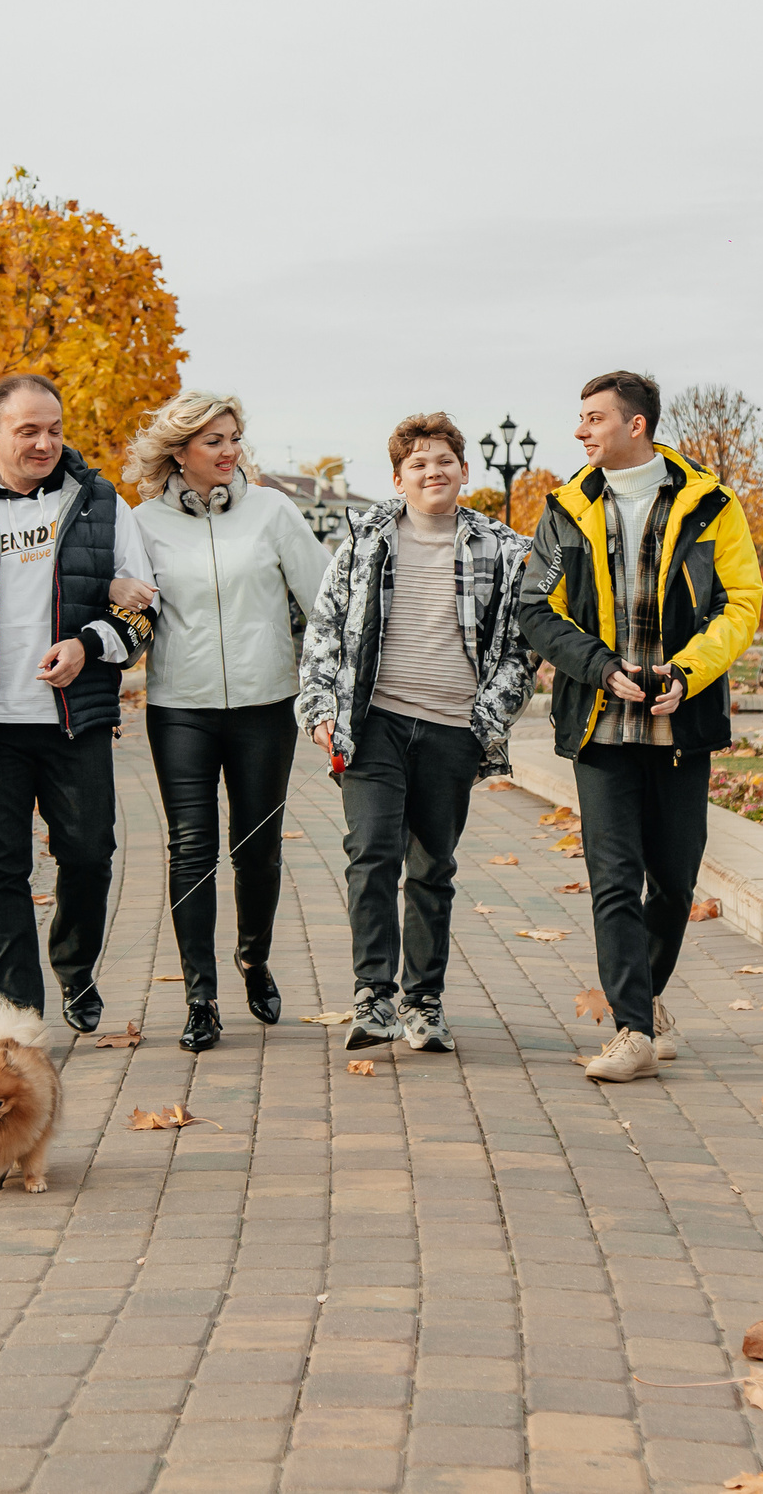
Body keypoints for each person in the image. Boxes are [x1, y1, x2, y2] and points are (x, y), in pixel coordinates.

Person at [516, 371, 762, 1083]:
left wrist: (689, 672)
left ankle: (645, 999)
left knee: (676, 882)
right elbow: (536, 606)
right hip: (600, 723)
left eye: (594, 418)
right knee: (614, 878)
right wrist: (595, 666)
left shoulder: (712, 503)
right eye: (581, 417)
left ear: (637, 426)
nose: (581, 430)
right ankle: (631, 1029)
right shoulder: (566, 508)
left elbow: (741, 603)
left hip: (680, 722)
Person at [0, 373, 157, 1033]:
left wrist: (88, 644)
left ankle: (74, 966)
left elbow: (145, 613)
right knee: (2, 870)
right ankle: (21, 1014)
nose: (45, 443)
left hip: (77, 722)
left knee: (89, 856)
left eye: (54, 429)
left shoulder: (101, 503)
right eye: (28, 430)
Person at [299, 413, 536, 1055]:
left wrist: (486, 719)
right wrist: (322, 706)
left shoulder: (503, 548)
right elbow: (326, 624)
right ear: (399, 476)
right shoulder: (366, 539)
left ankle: (423, 1002)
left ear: (464, 470)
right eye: (419, 464)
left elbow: (519, 648)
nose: (434, 472)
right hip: (375, 724)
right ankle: (372, 996)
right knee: (371, 853)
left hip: (452, 729)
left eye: (445, 461)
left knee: (433, 867)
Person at [125, 390, 331, 1053]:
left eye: (233, 437)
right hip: (179, 706)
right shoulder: (141, 524)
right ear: (178, 451)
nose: (229, 450)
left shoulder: (273, 511)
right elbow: (129, 615)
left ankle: (253, 956)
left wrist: (332, 688)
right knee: (191, 848)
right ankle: (199, 995)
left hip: (264, 705)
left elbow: (324, 601)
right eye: (213, 439)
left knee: (256, 848)